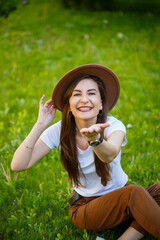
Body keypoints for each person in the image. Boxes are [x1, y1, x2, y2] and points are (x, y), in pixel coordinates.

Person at [11, 64, 160, 240]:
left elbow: (109, 154)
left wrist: (95, 139)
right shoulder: (59, 131)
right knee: (135, 194)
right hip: (85, 207)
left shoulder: (114, 126)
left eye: (91, 93)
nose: (84, 99)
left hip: (121, 197)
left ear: (101, 104)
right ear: (69, 105)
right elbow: (18, 165)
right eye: (77, 94)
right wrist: (40, 124)